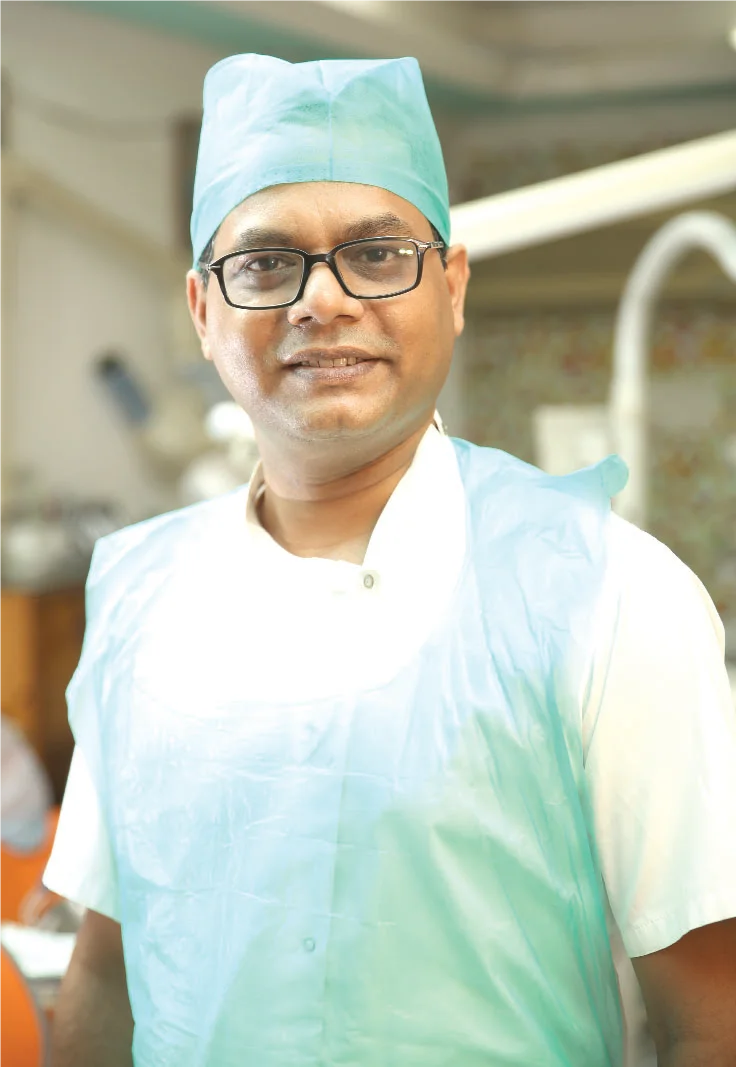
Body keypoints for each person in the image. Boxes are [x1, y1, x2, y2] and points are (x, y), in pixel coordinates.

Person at [45, 54, 736, 1067]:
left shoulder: (609, 596)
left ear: (451, 285)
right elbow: (103, 974)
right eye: (266, 263)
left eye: (375, 253)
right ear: (201, 308)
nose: (321, 301)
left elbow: (708, 1022)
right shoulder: (135, 595)